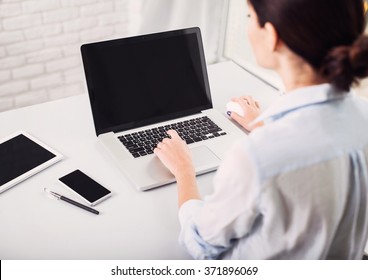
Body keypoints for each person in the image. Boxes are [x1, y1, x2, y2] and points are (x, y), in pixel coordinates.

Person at [154, 0, 368, 259]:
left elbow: (201, 244)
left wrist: (184, 169)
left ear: (271, 36)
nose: (247, 26)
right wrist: (263, 125)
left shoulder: (256, 156)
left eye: (249, 16)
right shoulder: (362, 114)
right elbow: (316, 147)